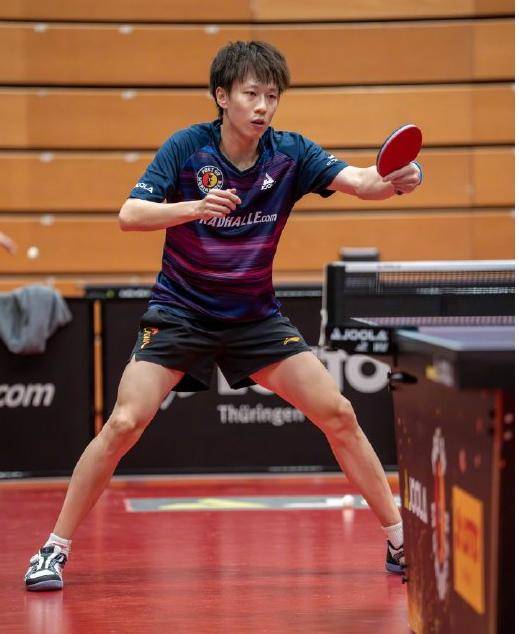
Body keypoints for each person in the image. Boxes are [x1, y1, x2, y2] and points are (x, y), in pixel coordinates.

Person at [24, 41, 422, 591]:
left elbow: (361, 182)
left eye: (272, 96)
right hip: (180, 311)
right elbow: (129, 214)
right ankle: (53, 548)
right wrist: (193, 207)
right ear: (222, 96)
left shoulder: (290, 153)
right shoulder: (188, 148)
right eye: (251, 94)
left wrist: (399, 177)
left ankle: (400, 540)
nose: (263, 106)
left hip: (254, 318)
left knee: (338, 413)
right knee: (124, 422)